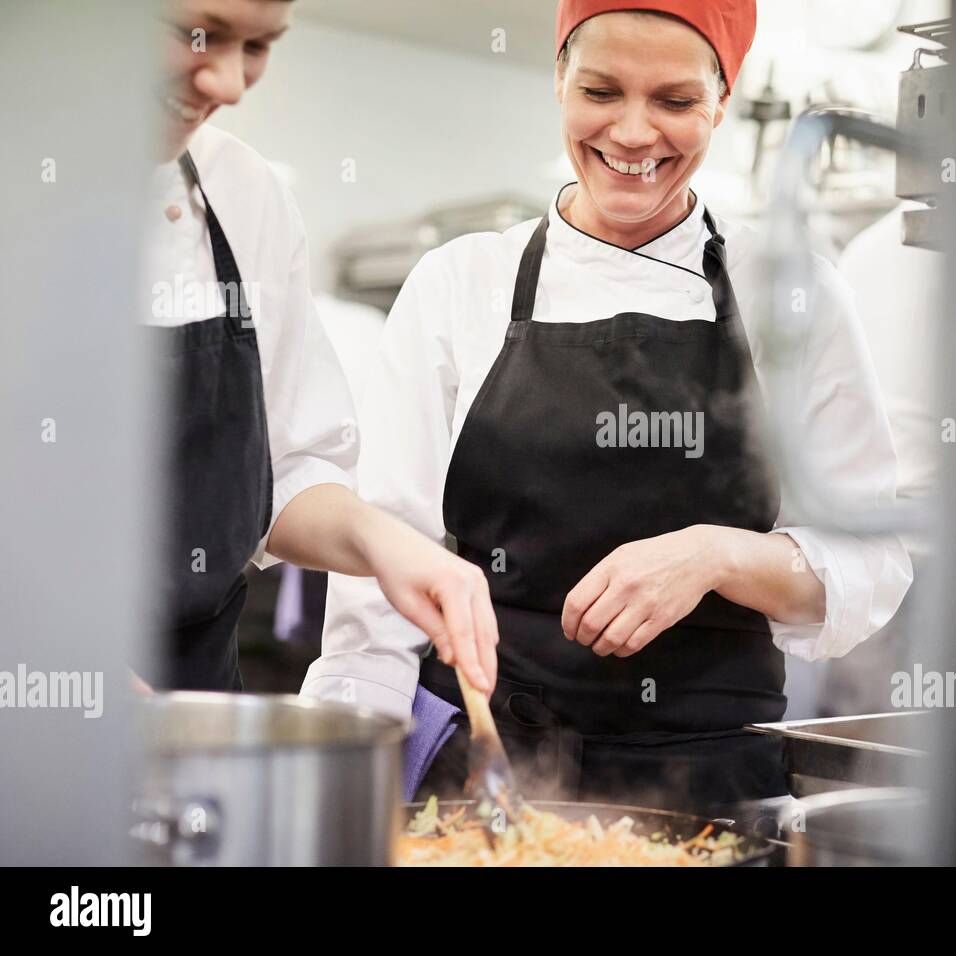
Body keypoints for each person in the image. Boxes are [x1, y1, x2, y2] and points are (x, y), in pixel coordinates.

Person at [303, 0, 913, 814]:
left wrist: (716, 556)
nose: (632, 133)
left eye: (675, 101)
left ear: (722, 101)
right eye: (601, 91)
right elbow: (387, 558)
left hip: (710, 786)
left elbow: (871, 562)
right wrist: (349, 770)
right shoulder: (462, 283)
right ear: (558, 81)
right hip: (489, 773)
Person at [141, 0, 497, 694]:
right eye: (200, 34)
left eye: (258, 46)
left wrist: (384, 544)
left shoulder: (241, 195)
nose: (230, 84)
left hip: (196, 714)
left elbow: (288, 467)